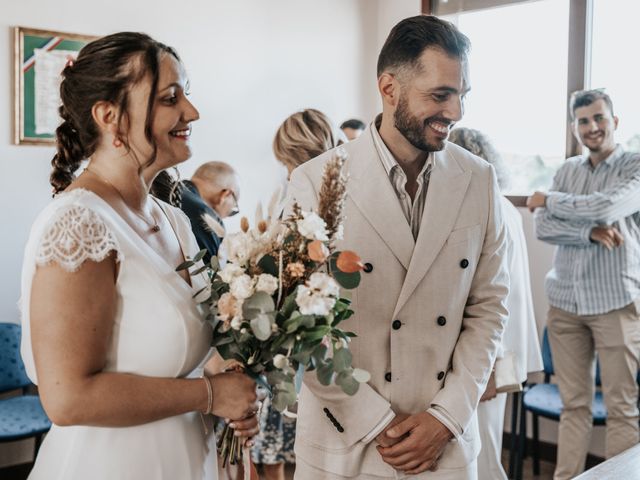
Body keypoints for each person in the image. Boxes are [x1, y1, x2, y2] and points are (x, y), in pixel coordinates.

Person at [19, 32, 260, 480]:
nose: (192, 112)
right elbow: (66, 397)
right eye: (171, 98)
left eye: (186, 94)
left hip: (187, 458)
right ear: (110, 116)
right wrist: (209, 396)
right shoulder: (77, 226)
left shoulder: (174, 219)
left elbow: (174, 341)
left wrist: (226, 376)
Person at [287, 15, 509, 480]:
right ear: (389, 88)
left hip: (443, 444)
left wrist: (446, 418)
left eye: (462, 95)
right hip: (346, 440)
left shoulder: (479, 179)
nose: (456, 112)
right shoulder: (312, 182)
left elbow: (489, 307)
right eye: (440, 95)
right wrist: (376, 423)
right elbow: (299, 325)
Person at [527, 89, 640, 480]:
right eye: (584, 121)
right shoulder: (568, 170)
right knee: (573, 405)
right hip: (564, 303)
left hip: (615, 302)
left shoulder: (634, 165)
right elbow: (542, 225)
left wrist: (550, 199)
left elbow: (608, 207)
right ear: (574, 128)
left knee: (622, 407)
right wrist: (590, 232)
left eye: (599, 118)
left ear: (615, 121)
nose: (592, 127)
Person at [449, 127, 543, 480]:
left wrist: (489, 367)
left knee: (483, 450)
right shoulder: (502, 208)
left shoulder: (493, 211)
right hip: (500, 352)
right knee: (482, 444)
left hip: (494, 354)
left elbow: (499, 294)